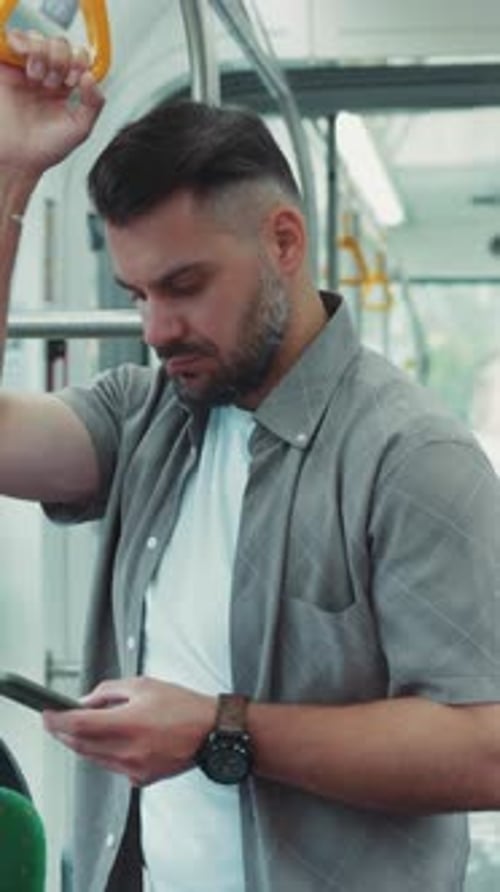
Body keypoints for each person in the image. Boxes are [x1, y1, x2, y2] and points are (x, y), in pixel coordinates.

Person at [1, 30, 500, 892]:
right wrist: (13, 174)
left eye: (185, 286)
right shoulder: (149, 413)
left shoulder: (412, 455)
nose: (155, 329)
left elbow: (484, 746)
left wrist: (218, 730)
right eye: (139, 295)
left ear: (283, 241)